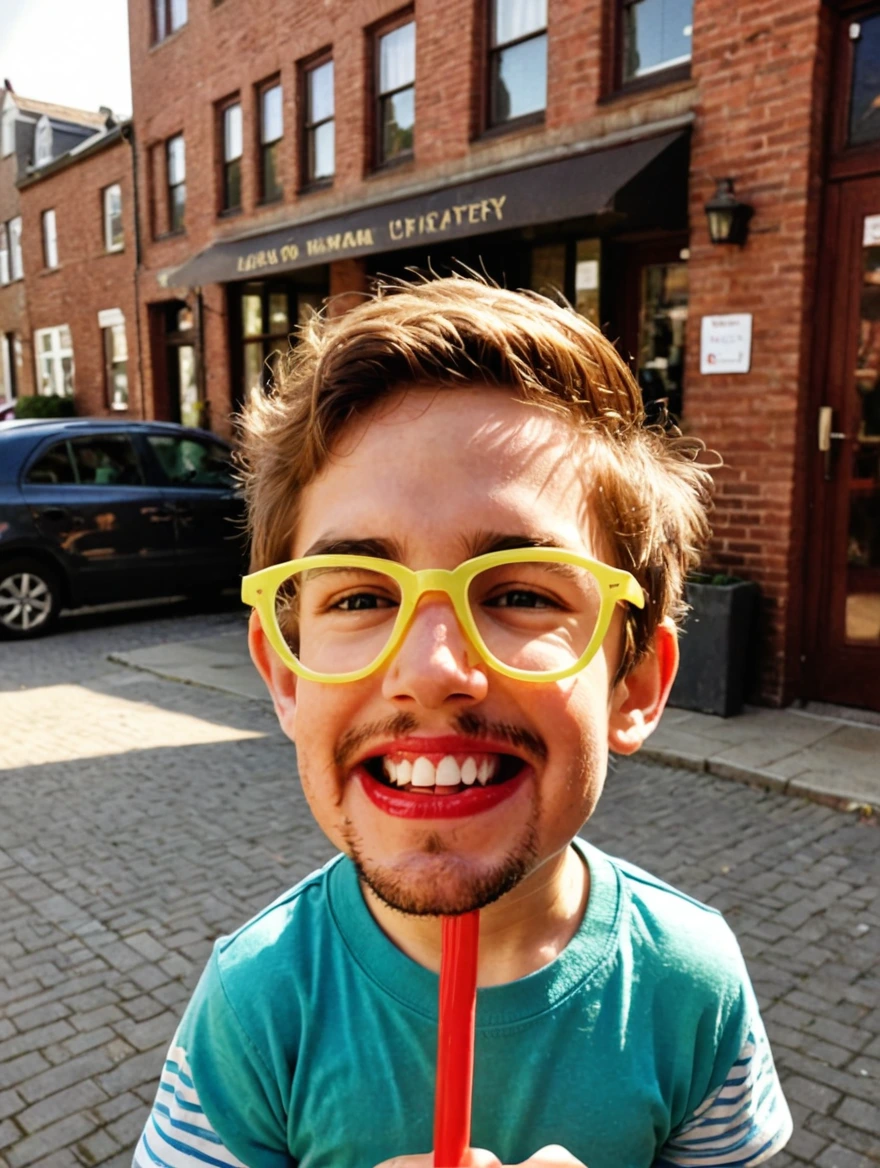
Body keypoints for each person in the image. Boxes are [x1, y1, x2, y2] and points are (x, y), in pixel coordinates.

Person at [133, 277, 792, 1168]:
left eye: (521, 592)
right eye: (362, 596)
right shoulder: (256, 1004)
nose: (432, 671)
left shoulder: (691, 984)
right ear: (286, 678)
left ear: (634, 682)